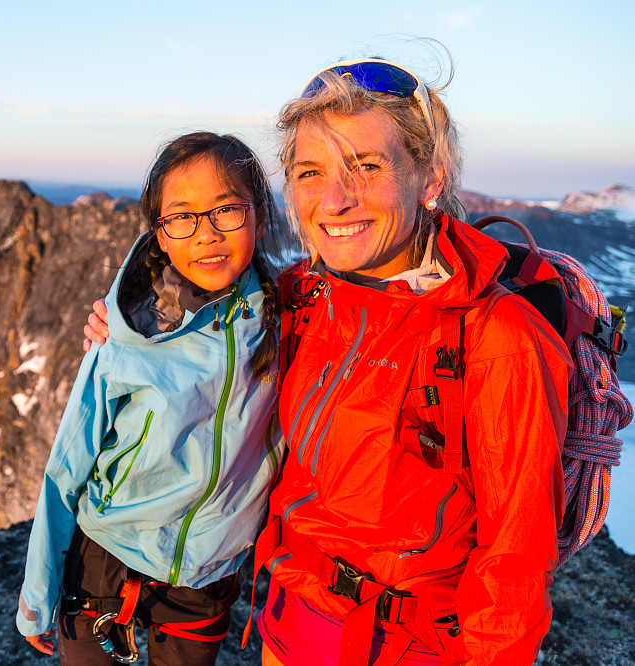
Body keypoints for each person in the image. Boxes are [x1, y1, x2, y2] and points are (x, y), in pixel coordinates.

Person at [86, 58, 571, 666]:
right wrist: (129, 328)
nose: (334, 200)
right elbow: (208, 332)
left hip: (404, 648)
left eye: (366, 167)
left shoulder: (495, 335)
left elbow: (516, 556)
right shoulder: (300, 297)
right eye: (310, 172)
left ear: (428, 179)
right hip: (287, 625)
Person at [17, 131, 298, 665]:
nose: (206, 234)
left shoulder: (289, 316)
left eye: (226, 210)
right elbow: (69, 461)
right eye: (182, 217)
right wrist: (37, 594)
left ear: (258, 214)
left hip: (207, 571)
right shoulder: (126, 334)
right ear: (160, 235)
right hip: (106, 555)